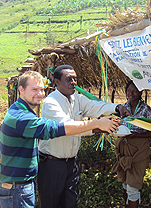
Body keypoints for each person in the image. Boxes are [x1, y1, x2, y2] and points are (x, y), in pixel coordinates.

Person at [0, 70, 120, 208]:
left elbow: (94, 106)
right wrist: (96, 124)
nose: (39, 94)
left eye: (41, 89)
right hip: (18, 186)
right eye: (34, 90)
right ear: (21, 89)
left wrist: (116, 109)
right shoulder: (22, 117)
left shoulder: (24, 111)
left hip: (24, 182)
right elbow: (56, 129)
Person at [37, 65, 131, 208]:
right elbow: (68, 127)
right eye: (68, 79)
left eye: (75, 79)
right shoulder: (51, 103)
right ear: (56, 82)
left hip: (71, 164)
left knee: (70, 203)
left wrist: (117, 108)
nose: (73, 82)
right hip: (52, 164)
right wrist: (99, 126)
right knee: (51, 203)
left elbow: (95, 106)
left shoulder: (77, 99)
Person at [111, 80, 151, 208]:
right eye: (129, 91)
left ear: (140, 92)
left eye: (134, 91)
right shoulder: (123, 108)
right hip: (124, 149)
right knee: (125, 183)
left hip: (138, 151)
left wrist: (137, 136)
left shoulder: (147, 111)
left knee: (133, 186)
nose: (131, 93)